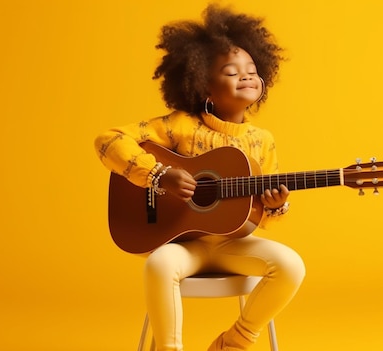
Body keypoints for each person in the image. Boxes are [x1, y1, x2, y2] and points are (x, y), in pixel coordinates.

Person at [94, 4, 305, 351]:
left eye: (252, 70)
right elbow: (107, 141)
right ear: (203, 84)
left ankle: (235, 341)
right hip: (182, 245)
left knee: (290, 266)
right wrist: (159, 176)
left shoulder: (262, 141)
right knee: (160, 265)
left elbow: (261, 217)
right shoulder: (179, 125)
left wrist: (276, 206)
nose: (246, 76)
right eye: (231, 71)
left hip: (232, 245)